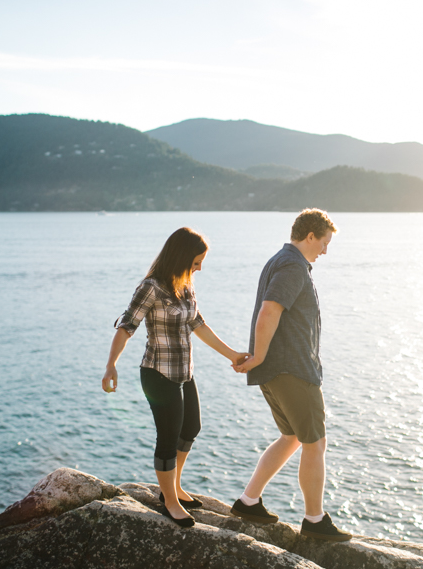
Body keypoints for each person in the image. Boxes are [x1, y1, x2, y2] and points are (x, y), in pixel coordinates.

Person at [102, 227, 248, 528]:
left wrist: (232, 355)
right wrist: (111, 365)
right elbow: (126, 326)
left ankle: (176, 487)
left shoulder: (186, 285)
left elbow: (198, 324)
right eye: (196, 262)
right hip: (157, 374)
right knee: (168, 437)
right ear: (181, 257)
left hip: (184, 371)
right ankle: (168, 500)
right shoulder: (151, 287)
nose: (199, 268)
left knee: (191, 427)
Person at [232, 208, 352, 542]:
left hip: (277, 368)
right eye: (324, 242)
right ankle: (314, 520)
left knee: (292, 437)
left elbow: (269, 312)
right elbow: (269, 310)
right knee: (315, 442)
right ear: (310, 235)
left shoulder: (281, 261)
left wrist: (260, 359)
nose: (326, 250)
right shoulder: (293, 266)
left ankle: (248, 501)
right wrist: (258, 355)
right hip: (291, 369)